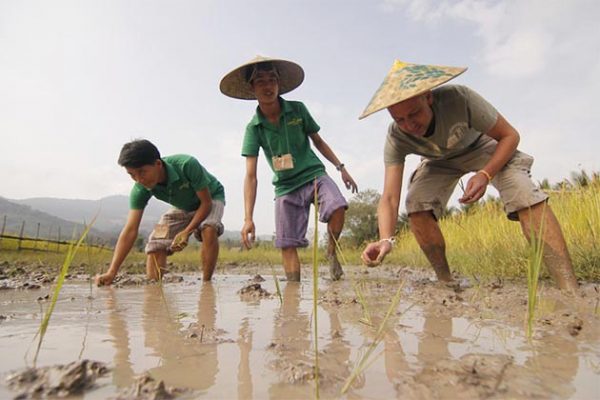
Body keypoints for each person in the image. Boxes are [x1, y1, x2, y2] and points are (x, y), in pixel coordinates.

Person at [359, 60, 579, 293]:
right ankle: (446, 281)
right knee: (416, 203)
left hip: (482, 146)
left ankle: (569, 287)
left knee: (524, 193)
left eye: (414, 113)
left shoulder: (459, 98)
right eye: (399, 120)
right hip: (438, 161)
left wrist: (485, 174)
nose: (409, 125)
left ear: (428, 97)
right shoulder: (396, 137)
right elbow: (390, 198)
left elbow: (510, 136)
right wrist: (386, 240)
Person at [219, 55, 358, 281]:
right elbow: (251, 176)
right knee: (287, 243)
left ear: (279, 84)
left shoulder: (297, 110)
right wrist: (248, 217)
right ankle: (292, 295)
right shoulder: (253, 129)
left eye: (272, 79)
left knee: (338, 205)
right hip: (285, 187)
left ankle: (331, 251)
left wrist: (340, 167)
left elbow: (319, 141)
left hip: (314, 175)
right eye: (261, 81)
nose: (268, 86)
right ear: (252, 87)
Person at [95, 139, 225, 285]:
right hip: (182, 206)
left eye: (142, 172)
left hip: (211, 197)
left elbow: (206, 204)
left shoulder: (187, 165)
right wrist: (112, 272)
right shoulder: (140, 189)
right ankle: (154, 289)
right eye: (132, 175)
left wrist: (187, 232)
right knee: (156, 242)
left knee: (208, 228)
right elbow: (130, 230)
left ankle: (206, 285)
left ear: (158, 164)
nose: (139, 180)